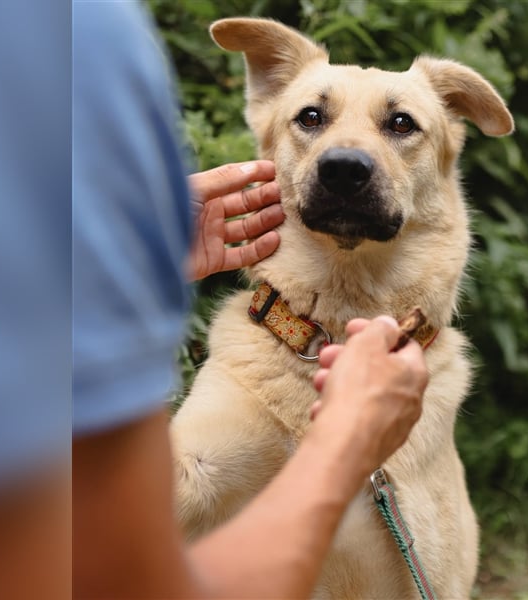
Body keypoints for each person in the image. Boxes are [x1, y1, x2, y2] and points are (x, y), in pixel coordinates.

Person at [72, 2, 429, 599]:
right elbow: (96, 546)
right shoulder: (242, 367)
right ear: (268, 122)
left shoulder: (432, 378)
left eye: (399, 127)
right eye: (311, 118)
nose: (347, 155)